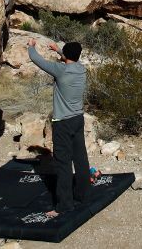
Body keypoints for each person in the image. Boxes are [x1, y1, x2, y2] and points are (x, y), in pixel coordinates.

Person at [27, 38, 90, 217]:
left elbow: (37, 60)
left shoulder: (60, 70)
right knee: (81, 159)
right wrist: (58, 50)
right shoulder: (81, 68)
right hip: (78, 119)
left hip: (63, 122)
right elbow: (69, 58)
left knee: (63, 163)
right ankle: (83, 195)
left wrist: (31, 46)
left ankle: (64, 206)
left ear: (66, 56)